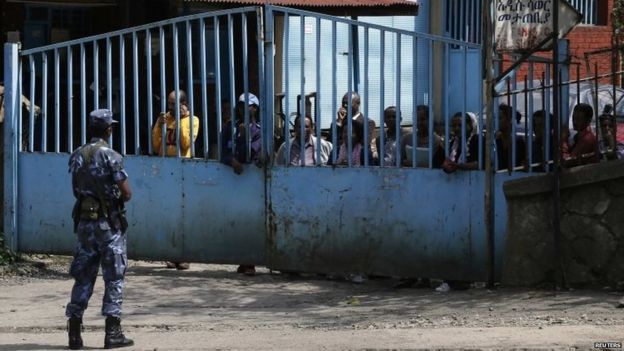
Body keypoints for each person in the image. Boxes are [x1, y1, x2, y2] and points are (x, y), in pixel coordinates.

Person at [66, 109, 133, 350]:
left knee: (83, 276)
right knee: (114, 276)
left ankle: (74, 333)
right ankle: (112, 332)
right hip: (108, 225)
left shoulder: (77, 155)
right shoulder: (111, 156)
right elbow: (126, 193)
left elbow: (76, 190)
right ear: (108, 129)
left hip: (85, 223)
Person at [152, 89, 200, 270]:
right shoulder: (164, 119)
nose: (170, 107)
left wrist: (180, 122)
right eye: (169, 103)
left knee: (184, 216)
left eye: (174, 104)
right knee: (168, 214)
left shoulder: (193, 120)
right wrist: (159, 126)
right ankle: (172, 254)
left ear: (184, 104)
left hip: (183, 170)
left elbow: (186, 144)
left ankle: (184, 255)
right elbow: (156, 146)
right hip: (165, 169)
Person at [221, 92, 263, 276]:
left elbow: (255, 157)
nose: (242, 109)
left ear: (254, 108)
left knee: (250, 221)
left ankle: (249, 262)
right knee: (233, 221)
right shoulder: (230, 127)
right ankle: (240, 259)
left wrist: (245, 138)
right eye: (240, 105)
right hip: (230, 183)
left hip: (250, 184)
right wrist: (232, 161)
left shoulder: (259, 130)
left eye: (247, 106)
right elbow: (222, 152)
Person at [333, 91, 376, 162]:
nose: (345, 105)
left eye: (348, 103)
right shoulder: (338, 122)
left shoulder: (367, 123)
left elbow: (364, 144)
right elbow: (332, 142)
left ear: (358, 104)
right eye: (343, 103)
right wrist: (339, 123)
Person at [561, 103, 599, 168]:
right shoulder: (580, 136)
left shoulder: (587, 139)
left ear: (588, 121)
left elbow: (568, 161)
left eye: (578, 120)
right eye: (573, 118)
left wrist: (563, 140)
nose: (574, 122)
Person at [495, 104, 526, 172]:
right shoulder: (495, 141)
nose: (496, 121)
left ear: (510, 120)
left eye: (500, 118)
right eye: (496, 118)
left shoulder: (519, 143)